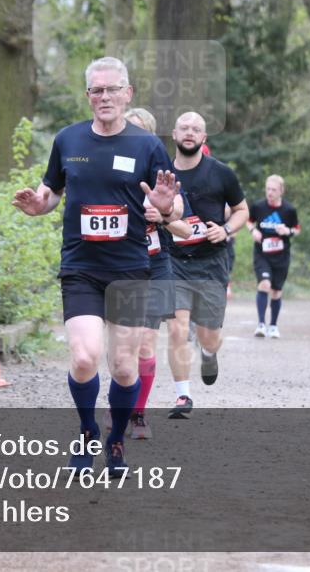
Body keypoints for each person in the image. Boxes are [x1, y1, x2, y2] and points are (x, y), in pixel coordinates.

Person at [13, 57, 179, 475]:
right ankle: (87, 435)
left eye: (112, 89)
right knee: (85, 357)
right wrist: (38, 205)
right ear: (88, 96)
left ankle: (116, 440)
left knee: (123, 367)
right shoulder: (68, 140)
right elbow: (50, 192)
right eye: (96, 90)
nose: (105, 97)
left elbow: (175, 202)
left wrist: (165, 206)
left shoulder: (147, 145)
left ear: (128, 94)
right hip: (81, 267)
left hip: (129, 269)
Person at [166, 112, 248, 419]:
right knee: (177, 328)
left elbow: (242, 210)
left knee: (208, 335)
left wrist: (226, 230)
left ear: (204, 138)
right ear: (174, 134)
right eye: (184, 128)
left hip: (212, 262)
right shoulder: (162, 174)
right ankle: (182, 396)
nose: (189, 132)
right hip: (174, 262)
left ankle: (209, 352)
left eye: (196, 129)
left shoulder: (221, 173)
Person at [123, 108, 193, 439]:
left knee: (146, 343)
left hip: (154, 264)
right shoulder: (112, 173)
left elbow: (184, 228)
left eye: (140, 133)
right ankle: (120, 401)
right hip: (118, 265)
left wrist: (162, 214)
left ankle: (136, 414)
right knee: (122, 346)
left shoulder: (163, 177)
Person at [248, 175, 300, 338]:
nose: (270, 193)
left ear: (281, 191)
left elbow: (297, 229)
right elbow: (248, 220)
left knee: (276, 291)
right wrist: (253, 230)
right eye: (268, 189)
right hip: (262, 253)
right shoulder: (258, 206)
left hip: (281, 255)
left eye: (273, 190)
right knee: (264, 284)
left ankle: (273, 326)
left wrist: (288, 231)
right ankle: (261, 324)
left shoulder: (289, 210)